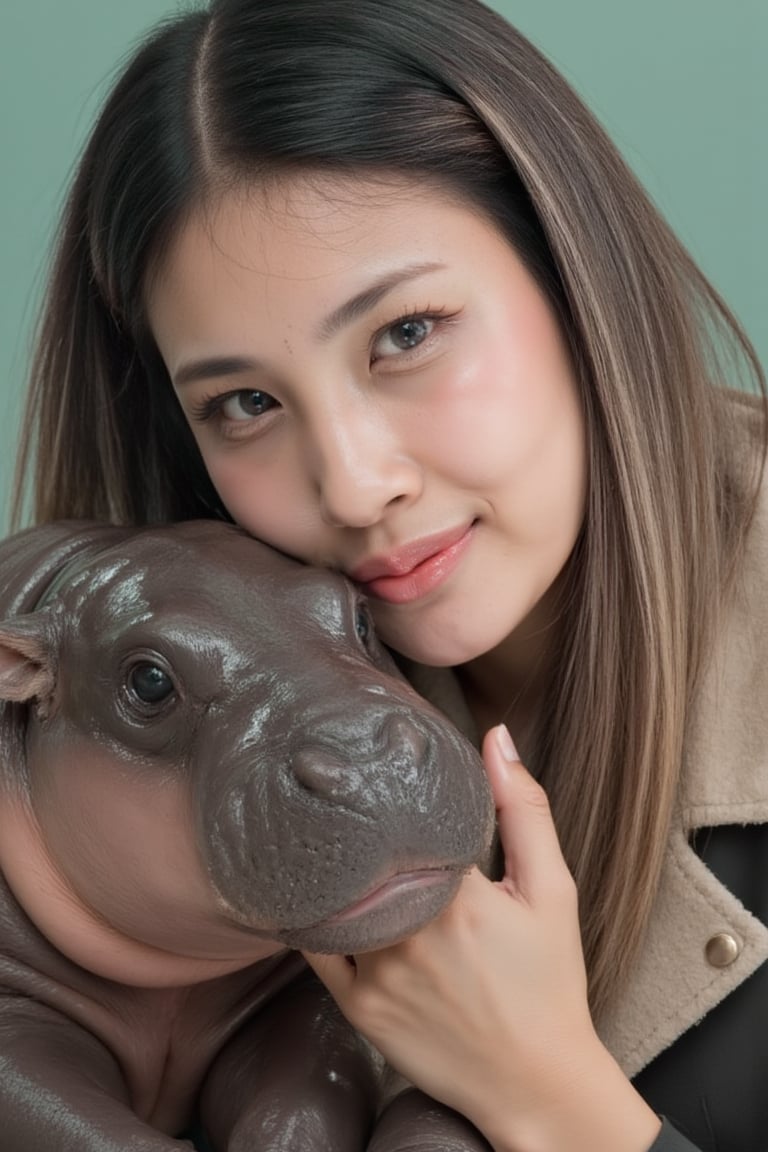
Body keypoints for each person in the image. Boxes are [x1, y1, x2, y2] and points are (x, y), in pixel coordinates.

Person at [10, 0, 768, 1148]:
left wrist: (551, 1096)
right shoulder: (126, 747)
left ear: (574, 274)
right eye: (246, 404)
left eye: (406, 334)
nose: (355, 485)